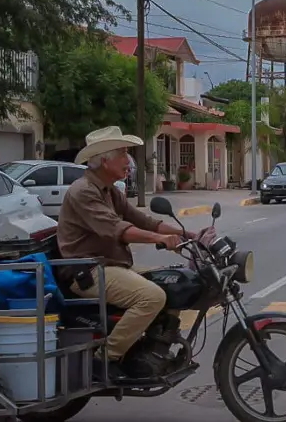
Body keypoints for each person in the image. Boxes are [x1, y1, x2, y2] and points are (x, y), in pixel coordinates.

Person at [57, 126, 208, 380]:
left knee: (175, 282)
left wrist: (187, 234)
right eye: (123, 153)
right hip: (88, 271)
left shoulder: (109, 190)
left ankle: (152, 350)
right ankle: (105, 358)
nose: (129, 161)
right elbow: (119, 229)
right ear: (104, 159)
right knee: (151, 297)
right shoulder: (84, 191)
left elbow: (143, 220)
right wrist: (160, 239)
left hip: (111, 266)